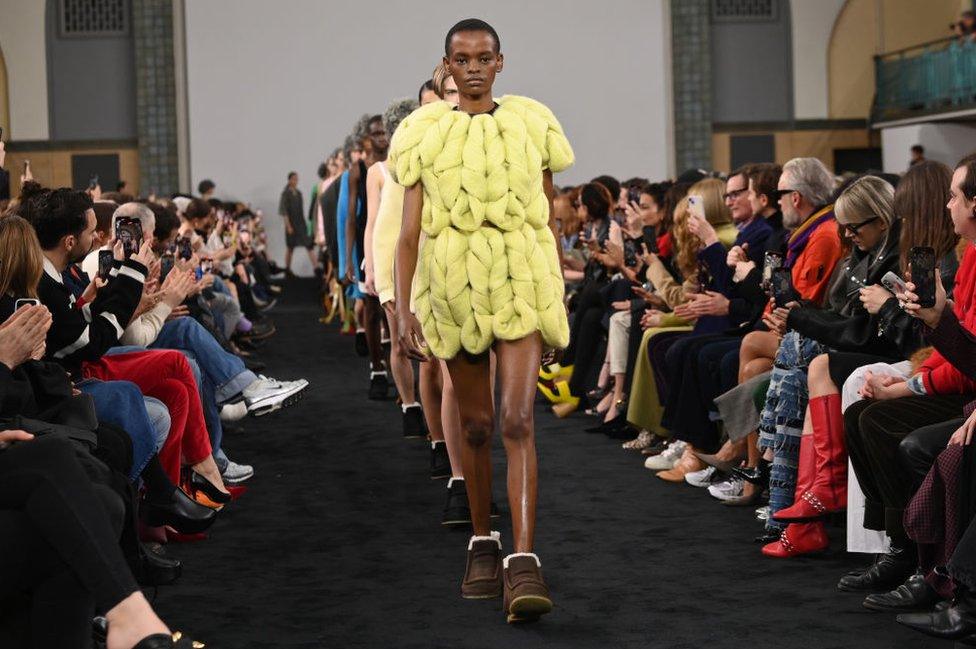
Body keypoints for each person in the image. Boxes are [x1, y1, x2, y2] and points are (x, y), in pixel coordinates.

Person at [392, 19, 573, 624]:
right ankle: (481, 542)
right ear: (447, 65)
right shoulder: (424, 133)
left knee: (519, 419)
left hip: (521, 280)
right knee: (474, 426)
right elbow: (409, 232)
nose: (473, 67)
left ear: (500, 62)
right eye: (462, 58)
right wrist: (403, 308)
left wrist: (556, 304)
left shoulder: (530, 124)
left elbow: (547, 221)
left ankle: (525, 559)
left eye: (484, 57)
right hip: (451, 284)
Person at [279, 171, 317, 276]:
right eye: (294, 179)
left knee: (309, 245)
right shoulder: (285, 194)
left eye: (297, 179)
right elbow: (284, 212)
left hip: (301, 224)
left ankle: (316, 268)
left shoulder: (299, 193)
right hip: (291, 224)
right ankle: (287, 269)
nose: (296, 181)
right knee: (290, 247)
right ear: (289, 180)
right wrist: (288, 226)